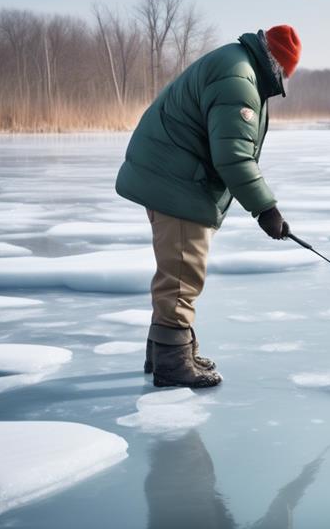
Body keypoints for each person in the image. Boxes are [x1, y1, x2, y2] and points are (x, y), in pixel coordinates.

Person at [115, 25, 302, 388]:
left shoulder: (237, 65)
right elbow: (233, 155)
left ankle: (168, 352)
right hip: (178, 184)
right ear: (277, 68)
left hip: (171, 176)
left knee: (175, 271)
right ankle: (172, 365)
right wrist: (266, 209)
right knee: (183, 276)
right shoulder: (240, 80)